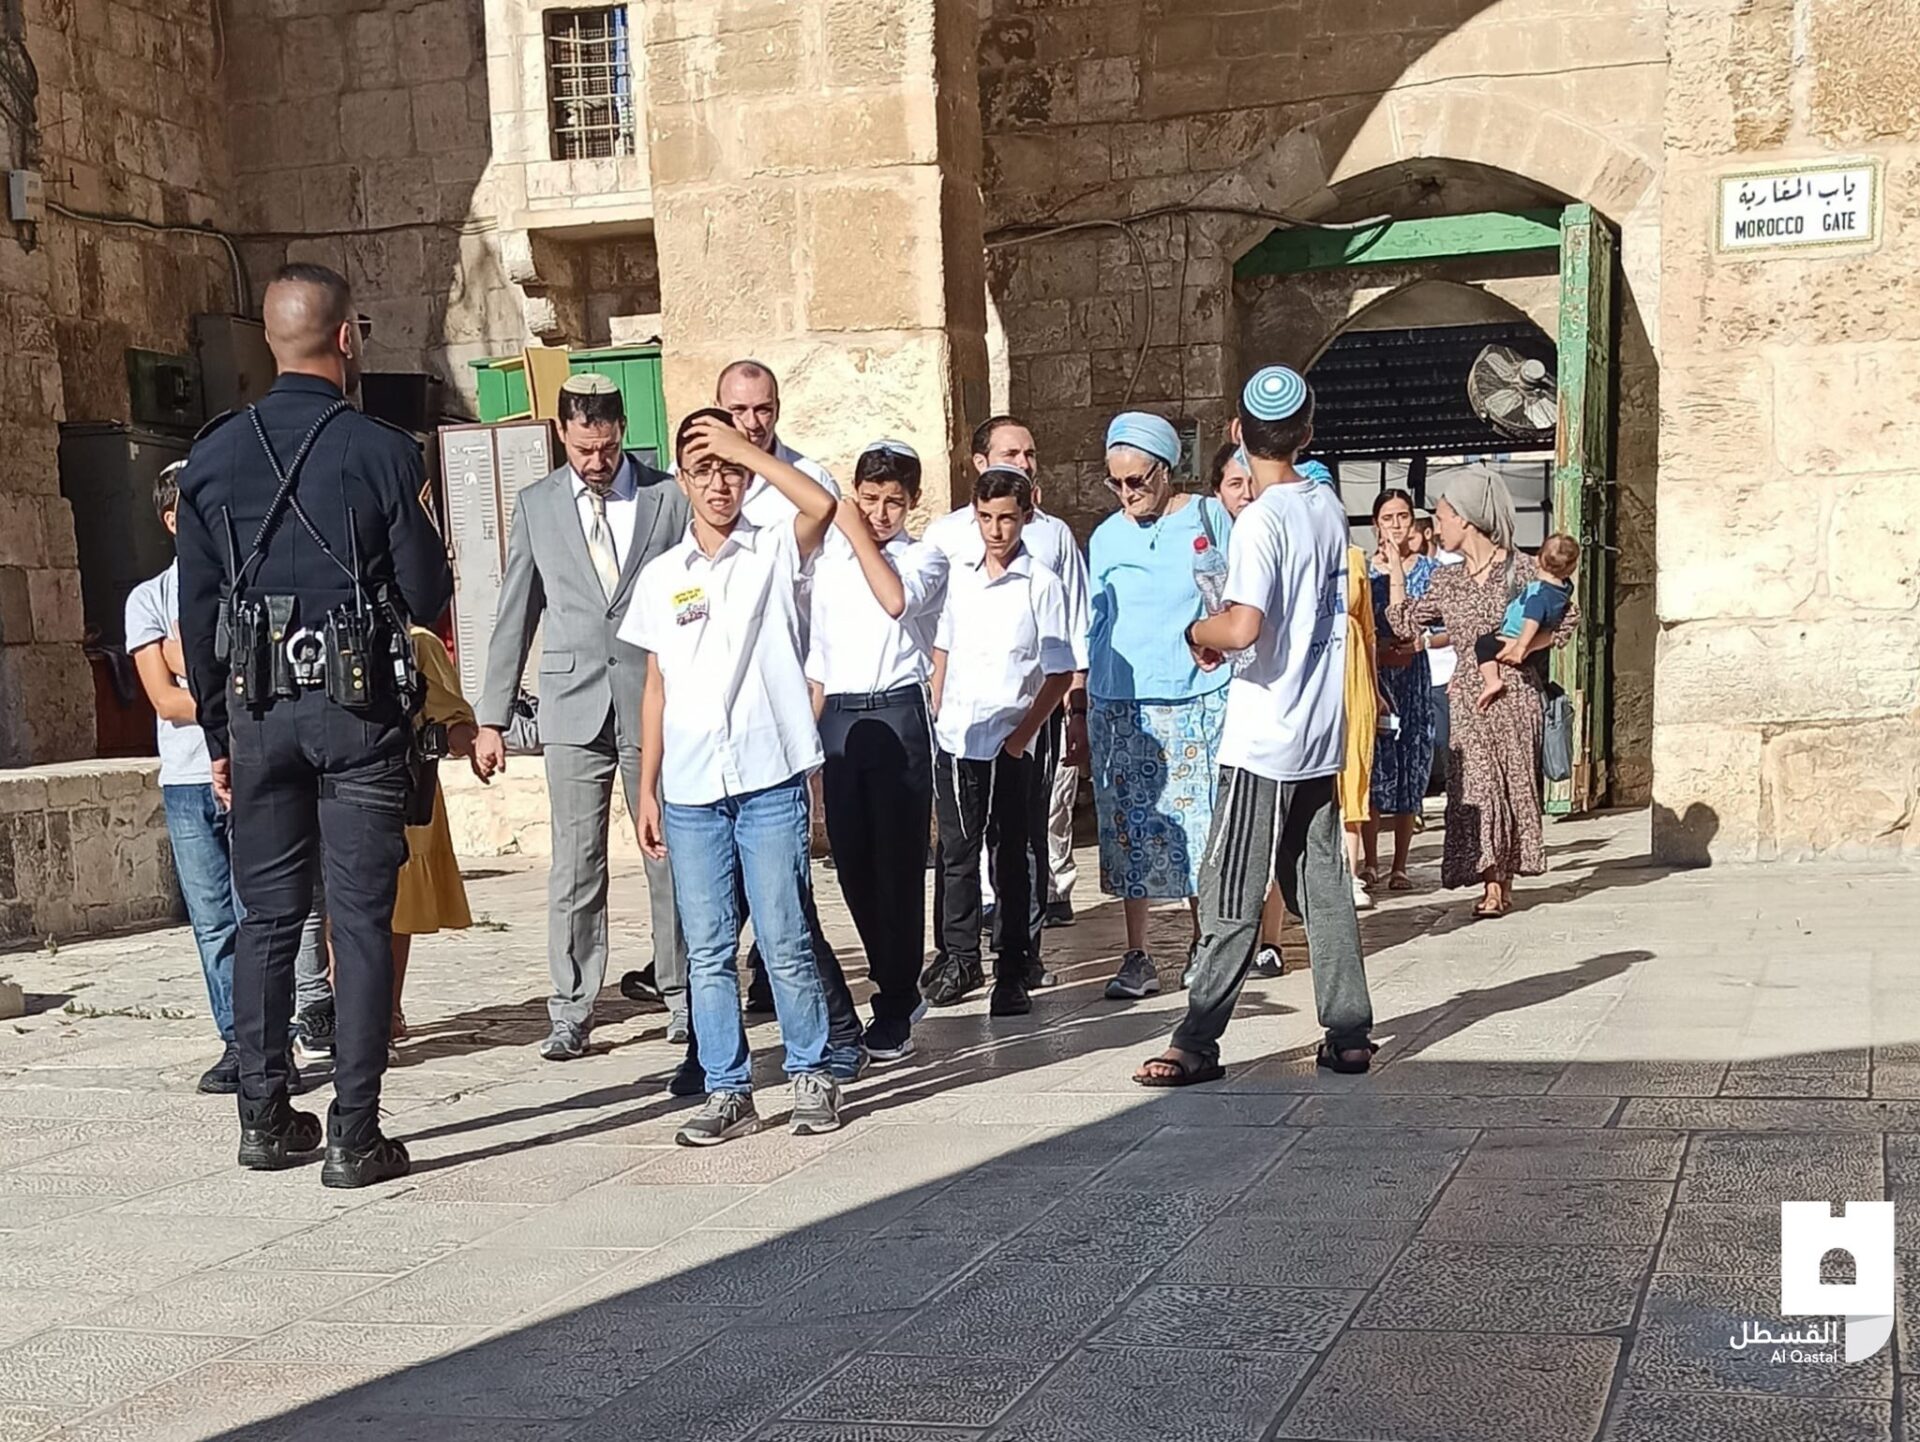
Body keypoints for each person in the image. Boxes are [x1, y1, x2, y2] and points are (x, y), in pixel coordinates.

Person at [174, 262, 453, 1186]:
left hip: (258, 714)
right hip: (358, 713)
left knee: (267, 919)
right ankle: (353, 1132)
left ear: (268, 340)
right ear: (345, 337)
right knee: (360, 922)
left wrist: (219, 735)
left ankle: (263, 1120)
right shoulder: (381, 450)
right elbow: (427, 590)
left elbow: (198, 614)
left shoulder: (213, 456)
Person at [628, 410, 877, 1146]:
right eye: (703, 471)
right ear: (681, 480)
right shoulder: (662, 578)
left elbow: (823, 505)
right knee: (707, 949)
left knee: (784, 933)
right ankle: (727, 1087)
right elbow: (654, 686)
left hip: (767, 774)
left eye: (729, 471)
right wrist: (646, 786)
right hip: (692, 788)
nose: (718, 485)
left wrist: (747, 450)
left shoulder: (770, 549)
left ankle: (811, 1072)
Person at [1134, 365, 1376, 1086]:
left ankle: (1196, 1039)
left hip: (1264, 732)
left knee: (1232, 885)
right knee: (1321, 882)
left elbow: (1242, 627)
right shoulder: (1326, 506)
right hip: (1318, 727)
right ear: (1306, 434)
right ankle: (1349, 1031)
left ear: (1239, 432)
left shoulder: (1261, 521)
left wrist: (1196, 631)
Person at [472, 373, 691, 1061]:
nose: (596, 462)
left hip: (652, 700)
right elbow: (515, 612)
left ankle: (684, 993)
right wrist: (492, 717)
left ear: (622, 432)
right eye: (582, 449)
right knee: (576, 861)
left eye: (606, 448)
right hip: (572, 706)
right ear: (562, 435)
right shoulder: (537, 505)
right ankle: (571, 1006)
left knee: (668, 849)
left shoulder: (666, 499)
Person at [687, 359, 866, 1078]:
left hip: (781, 703)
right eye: (737, 411)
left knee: (782, 906)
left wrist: (749, 457)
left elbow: (823, 563)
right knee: (722, 913)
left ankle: (832, 1035)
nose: (751, 422)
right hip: (711, 723)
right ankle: (713, 1052)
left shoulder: (792, 483)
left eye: (762, 410)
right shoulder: (703, 485)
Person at [925, 415, 1091, 973]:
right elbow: (942, 645)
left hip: (1016, 736)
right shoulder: (958, 572)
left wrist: (1024, 737)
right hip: (959, 734)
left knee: (1015, 849)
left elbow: (1059, 666)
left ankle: (1017, 960)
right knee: (957, 850)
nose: (996, 530)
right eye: (986, 518)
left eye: (1006, 518)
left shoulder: (1042, 580)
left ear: (1023, 517)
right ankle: (958, 956)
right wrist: (939, 706)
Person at [1383, 467, 1579, 920]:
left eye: (1442, 517)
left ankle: (1501, 883)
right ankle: (1491, 880)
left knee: (1508, 786)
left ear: (1466, 519)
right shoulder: (1447, 580)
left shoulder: (1524, 569)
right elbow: (1405, 622)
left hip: (1514, 693)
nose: (1437, 527)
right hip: (1468, 696)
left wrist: (1525, 646)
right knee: (1477, 787)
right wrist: (1395, 567)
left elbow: (1568, 618)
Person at [806, 440, 946, 1064]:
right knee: (853, 862)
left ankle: (895, 998)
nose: (880, 513)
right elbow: (817, 657)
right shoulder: (829, 563)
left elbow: (896, 601)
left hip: (896, 708)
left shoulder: (924, 557)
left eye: (893, 502)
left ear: (911, 503)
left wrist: (855, 532)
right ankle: (889, 973)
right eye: (868, 499)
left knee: (897, 862)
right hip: (839, 713)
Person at [1086, 413, 1233, 1001]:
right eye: (1116, 482)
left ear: (1166, 470)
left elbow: (1235, 596)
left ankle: (1204, 942)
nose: (1126, 493)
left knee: (1198, 823)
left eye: (1137, 480)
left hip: (1193, 695)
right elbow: (1095, 617)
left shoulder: (1210, 518)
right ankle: (1137, 953)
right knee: (1129, 826)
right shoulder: (1105, 537)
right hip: (1121, 701)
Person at [389, 626, 478, 1042]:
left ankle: (386, 1008)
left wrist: (473, 741)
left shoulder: (417, 642)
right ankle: (341, 1008)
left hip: (405, 786)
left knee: (396, 902)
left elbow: (451, 718)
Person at [1362, 490, 1439, 891]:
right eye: (1388, 517)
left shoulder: (1428, 570)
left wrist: (1423, 642)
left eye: (1403, 516)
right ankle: (1371, 861)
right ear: (1376, 523)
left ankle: (1401, 864)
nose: (1396, 525)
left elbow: (1442, 626)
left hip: (1412, 677)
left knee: (1411, 762)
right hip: (1375, 674)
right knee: (1374, 764)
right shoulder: (1363, 570)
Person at [1474, 533, 1579, 710]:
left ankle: (1492, 681)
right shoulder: (1563, 589)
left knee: (1483, 645)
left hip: (1514, 637)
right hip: (1535, 643)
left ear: (1540, 558)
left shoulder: (1539, 595)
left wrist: (1520, 647)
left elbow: (1532, 621)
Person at [1337, 523, 1383, 913]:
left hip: (1353, 677)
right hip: (1315, 675)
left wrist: (1376, 687)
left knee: (1354, 767)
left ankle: (1351, 873)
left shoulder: (1355, 558)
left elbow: (1368, 630)